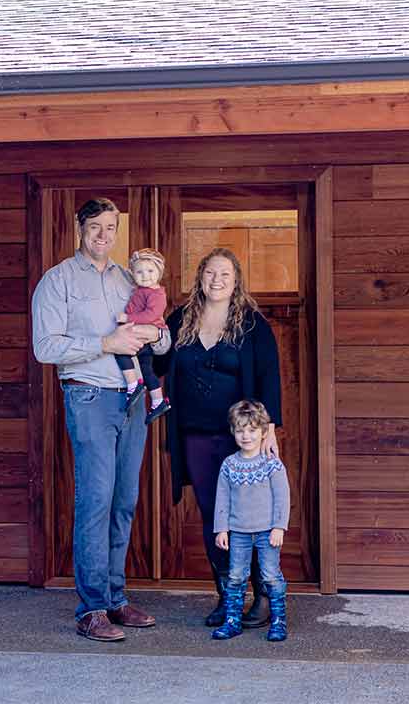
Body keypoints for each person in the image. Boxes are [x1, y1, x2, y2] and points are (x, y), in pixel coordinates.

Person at [31, 197, 170, 642]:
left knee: (125, 499)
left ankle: (115, 598)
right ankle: (91, 608)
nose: (103, 236)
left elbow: (158, 337)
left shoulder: (129, 278)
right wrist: (104, 343)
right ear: (79, 227)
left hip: (132, 403)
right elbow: (45, 347)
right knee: (96, 500)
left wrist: (158, 335)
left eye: (111, 228)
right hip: (89, 395)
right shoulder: (58, 281)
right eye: (95, 227)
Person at [155, 247, 282, 629]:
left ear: (236, 280)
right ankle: (228, 597)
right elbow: (159, 362)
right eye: (210, 273)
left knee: (253, 516)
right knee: (217, 516)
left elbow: (270, 378)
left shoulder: (252, 325)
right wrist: (149, 329)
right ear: (200, 277)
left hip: (241, 438)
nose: (217, 280)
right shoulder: (181, 318)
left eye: (225, 274)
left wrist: (268, 430)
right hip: (195, 436)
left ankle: (261, 596)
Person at [212, 399, 290, 642]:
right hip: (239, 532)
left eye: (252, 430)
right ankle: (233, 620)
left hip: (267, 531)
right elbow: (222, 499)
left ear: (264, 432)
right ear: (233, 432)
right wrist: (221, 529)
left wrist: (279, 526)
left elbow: (282, 497)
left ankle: (278, 621)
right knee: (236, 575)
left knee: (270, 575)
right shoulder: (229, 465)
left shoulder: (271, 464)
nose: (246, 436)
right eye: (240, 430)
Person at [113, 248, 171, 424]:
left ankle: (132, 385)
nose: (145, 276)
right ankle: (158, 400)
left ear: (159, 272)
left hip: (145, 333)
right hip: (142, 335)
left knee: (121, 351)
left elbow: (150, 316)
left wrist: (127, 318)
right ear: (133, 274)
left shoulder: (157, 294)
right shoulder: (140, 290)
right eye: (139, 272)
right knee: (146, 369)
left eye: (150, 271)